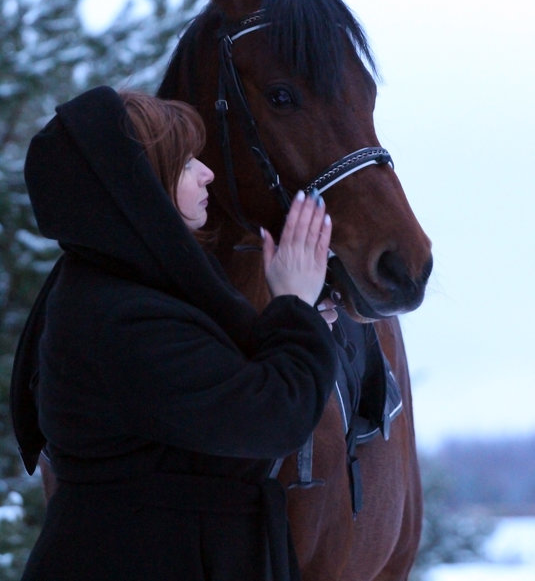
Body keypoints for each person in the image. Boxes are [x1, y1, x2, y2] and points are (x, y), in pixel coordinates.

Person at [18, 85, 338, 581]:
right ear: (142, 186)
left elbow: (223, 384)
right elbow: (273, 416)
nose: (208, 171)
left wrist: (296, 323)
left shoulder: (129, 293)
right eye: (188, 162)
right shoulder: (121, 318)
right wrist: (295, 307)